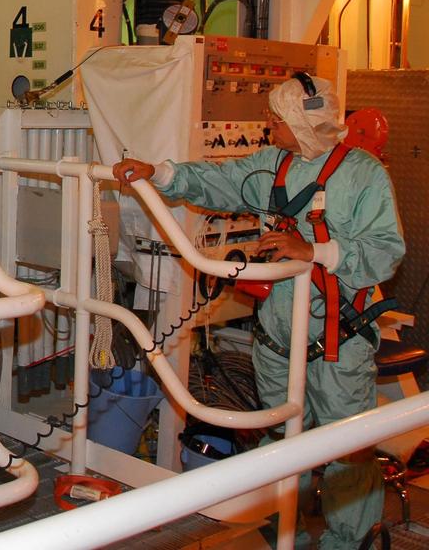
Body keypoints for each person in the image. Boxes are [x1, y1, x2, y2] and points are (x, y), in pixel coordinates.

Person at [113, 74, 405, 549]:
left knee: (346, 452)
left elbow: (386, 251)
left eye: (278, 118)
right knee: (279, 444)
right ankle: (282, 530)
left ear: (304, 124)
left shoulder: (363, 175)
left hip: (338, 343)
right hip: (276, 340)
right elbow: (219, 181)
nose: (270, 124)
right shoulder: (272, 165)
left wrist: (314, 252)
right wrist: (159, 173)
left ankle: (349, 543)